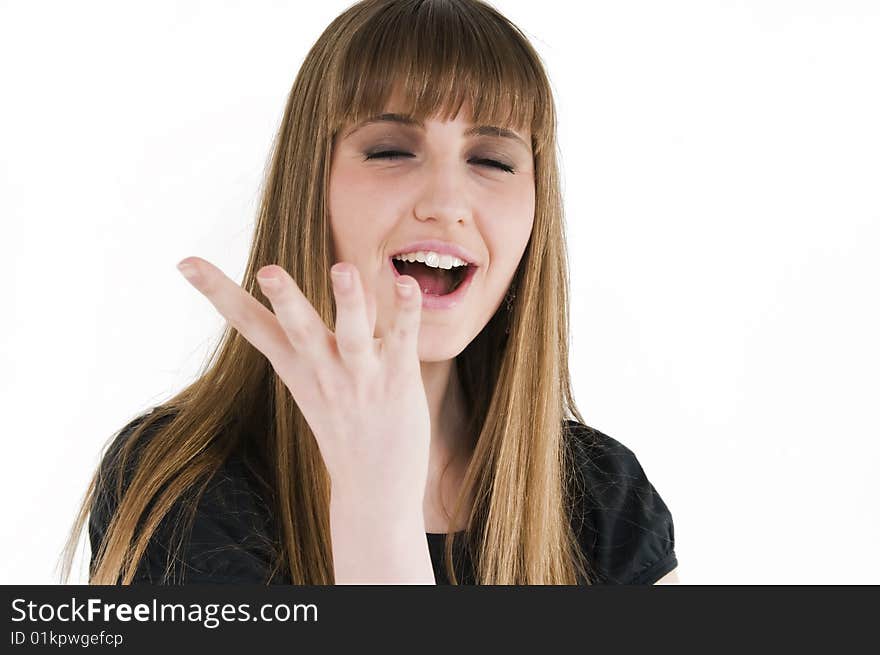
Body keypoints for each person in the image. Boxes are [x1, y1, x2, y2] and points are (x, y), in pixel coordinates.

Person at [60, 0, 678, 585]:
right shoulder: (181, 481)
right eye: (389, 150)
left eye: (492, 160)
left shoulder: (605, 496)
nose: (446, 204)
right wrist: (375, 505)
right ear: (311, 189)